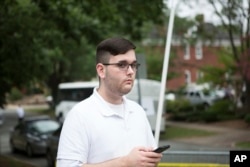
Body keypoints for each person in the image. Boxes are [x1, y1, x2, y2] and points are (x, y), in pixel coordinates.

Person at [56, 37, 162, 167]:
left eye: (133, 65)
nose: (130, 72)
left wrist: (150, 160)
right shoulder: (80, 115)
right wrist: (126, 162)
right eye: (122, 65)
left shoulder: (138, 111)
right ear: (101, 70)